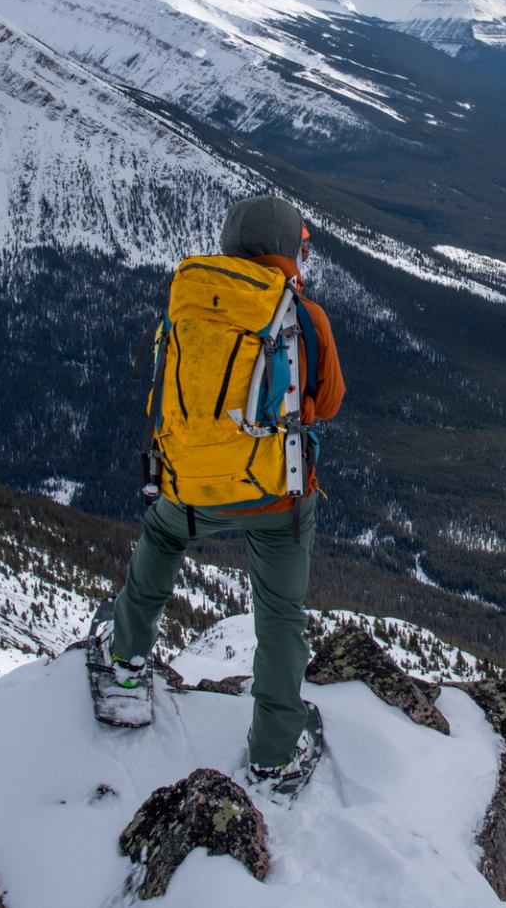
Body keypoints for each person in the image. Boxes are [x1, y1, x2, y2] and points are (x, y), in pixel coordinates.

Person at [91, 194, 345, 795]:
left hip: (189, 483)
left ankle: (125, 668)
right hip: (275, 491)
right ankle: (276, 750)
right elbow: (328, 402)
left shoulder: (186, 302)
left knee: (161, 536)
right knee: (279, 613)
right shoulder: (301, 314)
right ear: (290, 247)